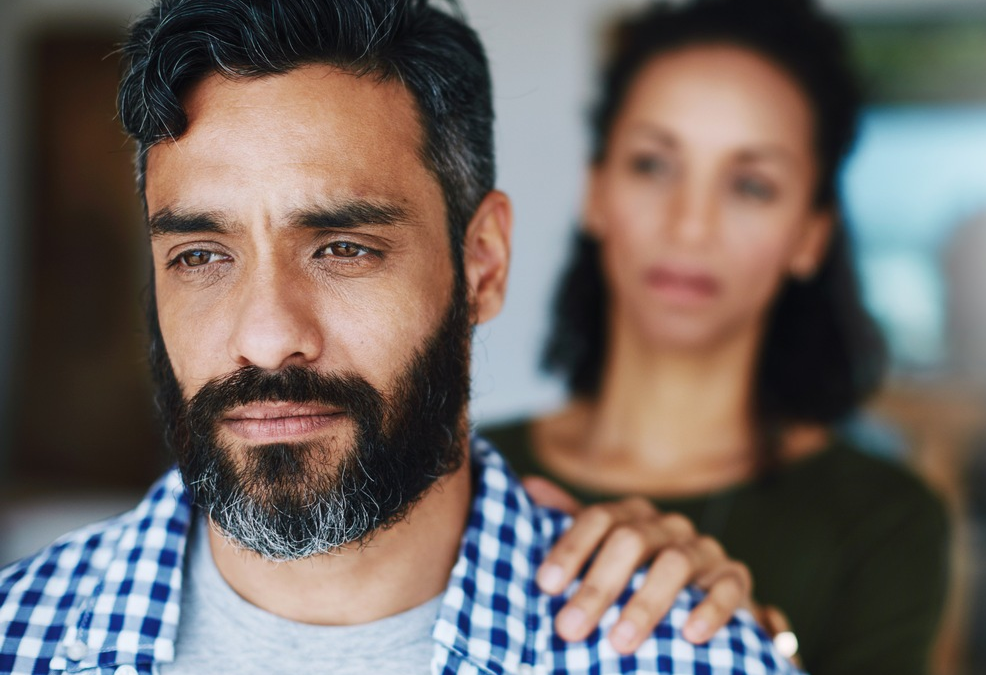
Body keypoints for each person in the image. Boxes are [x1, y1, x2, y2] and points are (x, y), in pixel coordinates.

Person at [0, 1, 796, 673]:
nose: (269, 338)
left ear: (481, 265)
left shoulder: (696, 655)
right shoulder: (16, 637)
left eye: (344, 248)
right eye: (202, 255)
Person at [481, 1, 950, 673]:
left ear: (810, 236)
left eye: (751, 185)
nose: (690, 225)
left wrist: (753, 644)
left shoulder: (885, 521)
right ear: (597, 191)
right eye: (652, 164)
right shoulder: (462, 471)